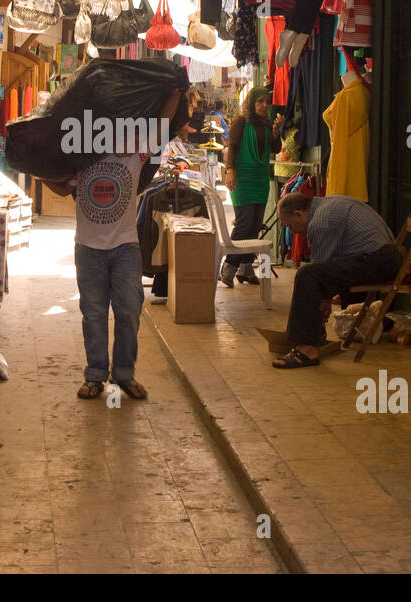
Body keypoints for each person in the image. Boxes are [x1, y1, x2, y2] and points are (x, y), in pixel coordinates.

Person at [47, 89, 187, 401]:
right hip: (88, 247)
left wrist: (173, 94)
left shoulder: (135, 151)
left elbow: (161, 127)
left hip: (125, 246)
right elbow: (58, 184)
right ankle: (95, 376)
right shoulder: (81, 156)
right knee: (93, 313)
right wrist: (37, 166)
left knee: (129, 311)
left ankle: (123, 375)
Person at [269, 192, 401, 369]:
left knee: (306, 275)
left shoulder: (320, 222)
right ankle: (369, 324)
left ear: (299, 213)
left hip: (379, 262)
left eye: (290, 226)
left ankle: (306, 349)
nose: (293, 232)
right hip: (384, 258)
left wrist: (324, 299)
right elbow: (328, 269)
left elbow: (319, 271)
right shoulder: (327, 204)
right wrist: (324, 299)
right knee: (320, 274)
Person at [220, 87, 282, 287]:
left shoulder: (265, 124)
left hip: (260, 179)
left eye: (267, 102)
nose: (264, 105)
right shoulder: (241, 121)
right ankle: (228, 268)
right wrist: (230, 171)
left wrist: (276, 131)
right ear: (251, 103)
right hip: (243, 178)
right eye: (260, 102)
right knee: (244, 223)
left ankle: (246, 270)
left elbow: (276, 148)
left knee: (255, 225)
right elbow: (233, 146)